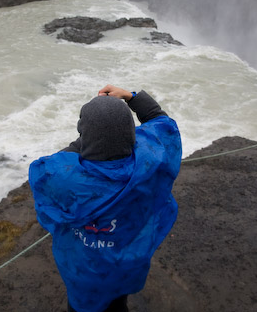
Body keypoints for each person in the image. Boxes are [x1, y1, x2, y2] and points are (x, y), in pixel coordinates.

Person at [29, 85, 182, 312]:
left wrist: (91, 133)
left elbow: (49, 166)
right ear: (131, 132)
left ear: (83, 133)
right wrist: (130, 97)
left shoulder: (63, 179)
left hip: (84, 274)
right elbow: (162, 123)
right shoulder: (151, 161)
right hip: (127, 263)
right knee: (118, 301)